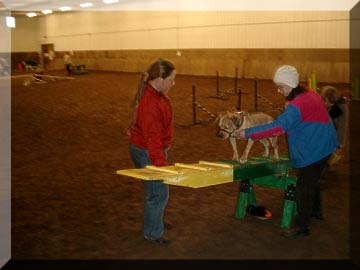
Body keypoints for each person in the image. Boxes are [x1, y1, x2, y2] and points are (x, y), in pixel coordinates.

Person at [235, 65, 338, 239]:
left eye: (281, 86)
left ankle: (302, 227)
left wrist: (247, 133)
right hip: (326, 144)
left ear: (291, 84)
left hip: (315, 149)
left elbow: (277, 127)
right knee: (312, 182)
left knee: (303, 188)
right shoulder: (311, 94)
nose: (278, 89)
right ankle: (316, 211)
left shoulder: (297, 105)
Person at [128, 58, 176, 245]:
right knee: (159, 193)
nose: (173, 82)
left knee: (154, 191)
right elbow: (153, 139)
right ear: (160, 79)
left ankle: (154, 221)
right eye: (171, 78)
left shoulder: (155, 94)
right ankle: (153, 233)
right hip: (148, 151)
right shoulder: (151, 102)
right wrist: (160, 165)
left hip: (146, 149)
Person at [320, 86, 349, 167]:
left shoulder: (341, 106)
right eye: (325, 101)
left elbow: (342, 126)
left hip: (333, 128)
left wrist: (340, 143)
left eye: (330, 104)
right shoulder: (318, 99)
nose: (326, 104)